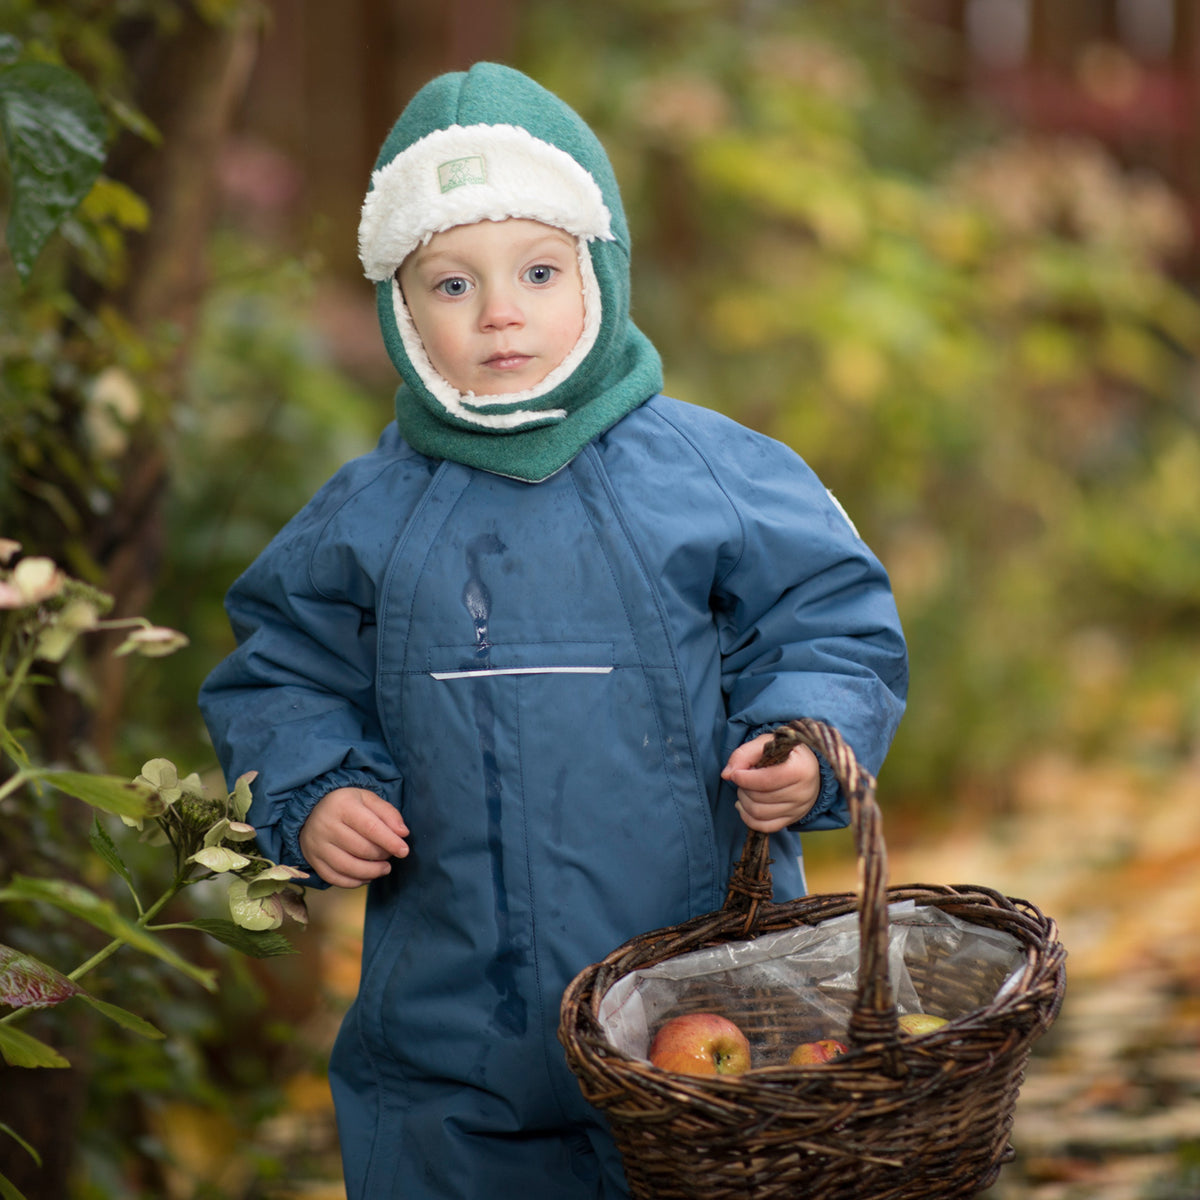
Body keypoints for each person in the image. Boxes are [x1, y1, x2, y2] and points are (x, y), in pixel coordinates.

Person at [199, 61, 907, 1200]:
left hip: (708, 979)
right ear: (397, 305)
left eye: (537, 270)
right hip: (455, 1019)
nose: (501, 313)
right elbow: (281, 672)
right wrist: (314, 790)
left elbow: (825, 617)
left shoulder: (712, 474)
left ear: (601, 269)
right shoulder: (366, 518)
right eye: (450, 284)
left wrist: (808, 738)